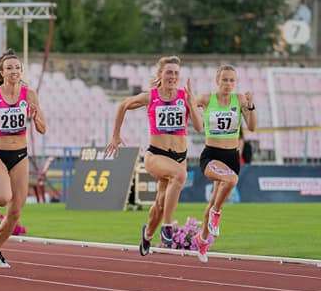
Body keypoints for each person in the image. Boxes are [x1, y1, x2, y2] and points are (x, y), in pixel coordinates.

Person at [105, 56, 202, 258]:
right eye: (169, 72)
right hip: (156, 155)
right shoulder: (151, 96)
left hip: (180, 156)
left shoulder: (185, 96)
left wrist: (192, 103)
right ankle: (167, 227)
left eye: (176, 73)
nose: (172, 76)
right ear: (160, 75)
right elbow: (123, 105)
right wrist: (115, 135)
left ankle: (148, 234)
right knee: (179, 177)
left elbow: (199, 127)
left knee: (159, 203)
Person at [0, 50, 46, 269]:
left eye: (17, 68)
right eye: (9, 68)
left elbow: (42, 128)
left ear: (21, 71)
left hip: (21, 155)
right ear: (2, 72)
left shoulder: (29, 95)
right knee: (3, 198)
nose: (14, 71)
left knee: (15, 212)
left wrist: (35, 116)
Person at [191, 65, 256, 260]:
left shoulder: (240, 100)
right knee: (231, 181)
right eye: (225, 80)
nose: (228, 84)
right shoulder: (205, 99)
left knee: (212, 201)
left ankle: (202, 241)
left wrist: (251, 105)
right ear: (217, 81)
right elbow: (189, 110)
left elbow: (252, 127)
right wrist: (189, 100)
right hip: (212, 154)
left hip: (232, 156)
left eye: (231, 80)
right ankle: (216, 215)